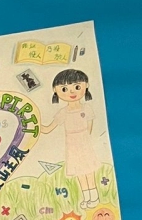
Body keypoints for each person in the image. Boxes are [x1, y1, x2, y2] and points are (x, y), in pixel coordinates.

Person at [40, 68, 100, 208]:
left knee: (89, 171)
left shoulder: (86, 108)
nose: (71, 92)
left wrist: (84, 142)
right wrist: (35, 124)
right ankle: (87, 198)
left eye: (77, 87)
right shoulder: (63, 112)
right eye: (64, 89)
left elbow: (89, 129)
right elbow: (48, 129)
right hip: (72, 145)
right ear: (55, 90)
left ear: (86, 85)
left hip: (84, 143)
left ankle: (95, 197)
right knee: (79, 172)